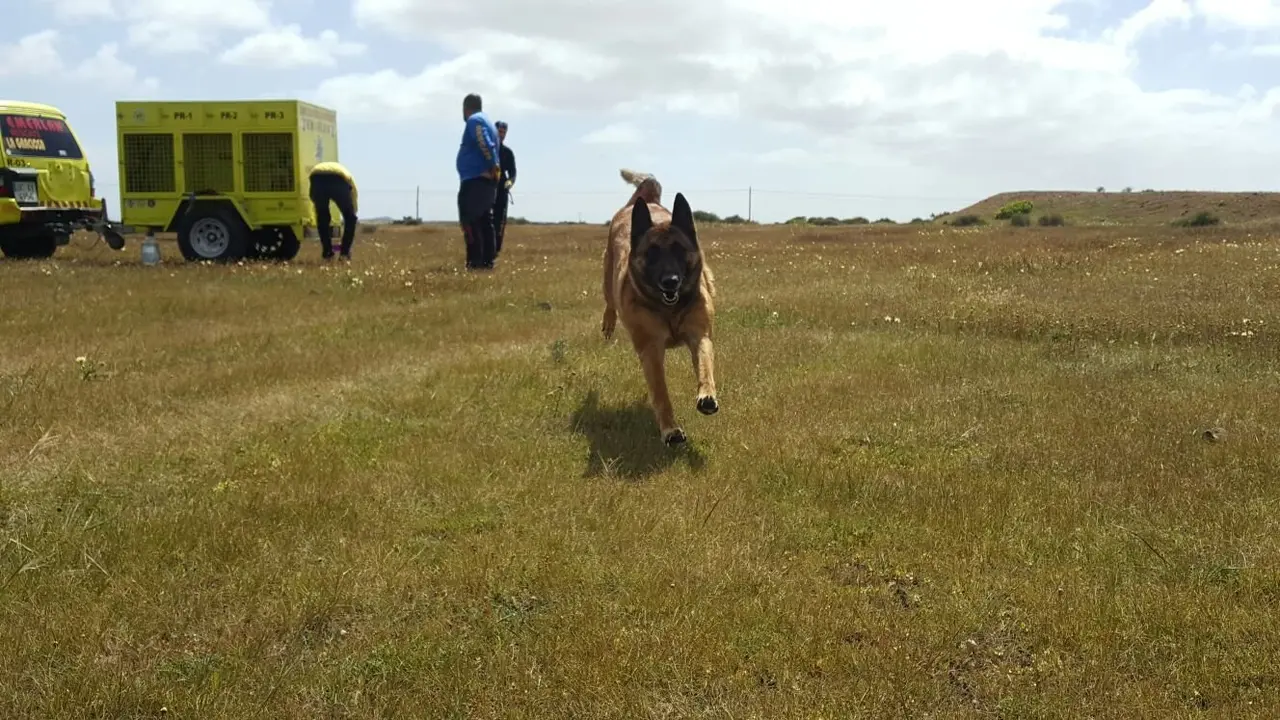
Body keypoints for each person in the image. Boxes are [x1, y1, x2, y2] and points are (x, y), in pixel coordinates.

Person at [455, 93, 502, 270]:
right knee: (484, 221)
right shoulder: (489, 122)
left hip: (475, 180)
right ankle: (487, 261)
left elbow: (484, 141)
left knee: (470, 220)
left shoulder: (474, 120)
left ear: (465, 108)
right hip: (485, 182)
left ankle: (475, 261)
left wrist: (493, 164)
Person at [308, 161, 359, 261]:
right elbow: (354, 195)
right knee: (350, 218)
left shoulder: (322, 170)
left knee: (322, 218)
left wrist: (318, 207)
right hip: (338, 180)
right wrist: (353, 213)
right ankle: (344, 253)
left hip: (316, 178)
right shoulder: (348, 177)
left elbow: (312, 196)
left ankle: (327, 253)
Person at [493, 120, 517, 256]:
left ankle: (496, 251)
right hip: (487, 189)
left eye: (503, 132)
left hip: (501, 191)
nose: (501, 135)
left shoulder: (507, 152)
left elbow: (513, 174)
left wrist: (509, 184)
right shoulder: (488, 150)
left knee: (500, 222)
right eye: (499, 132)